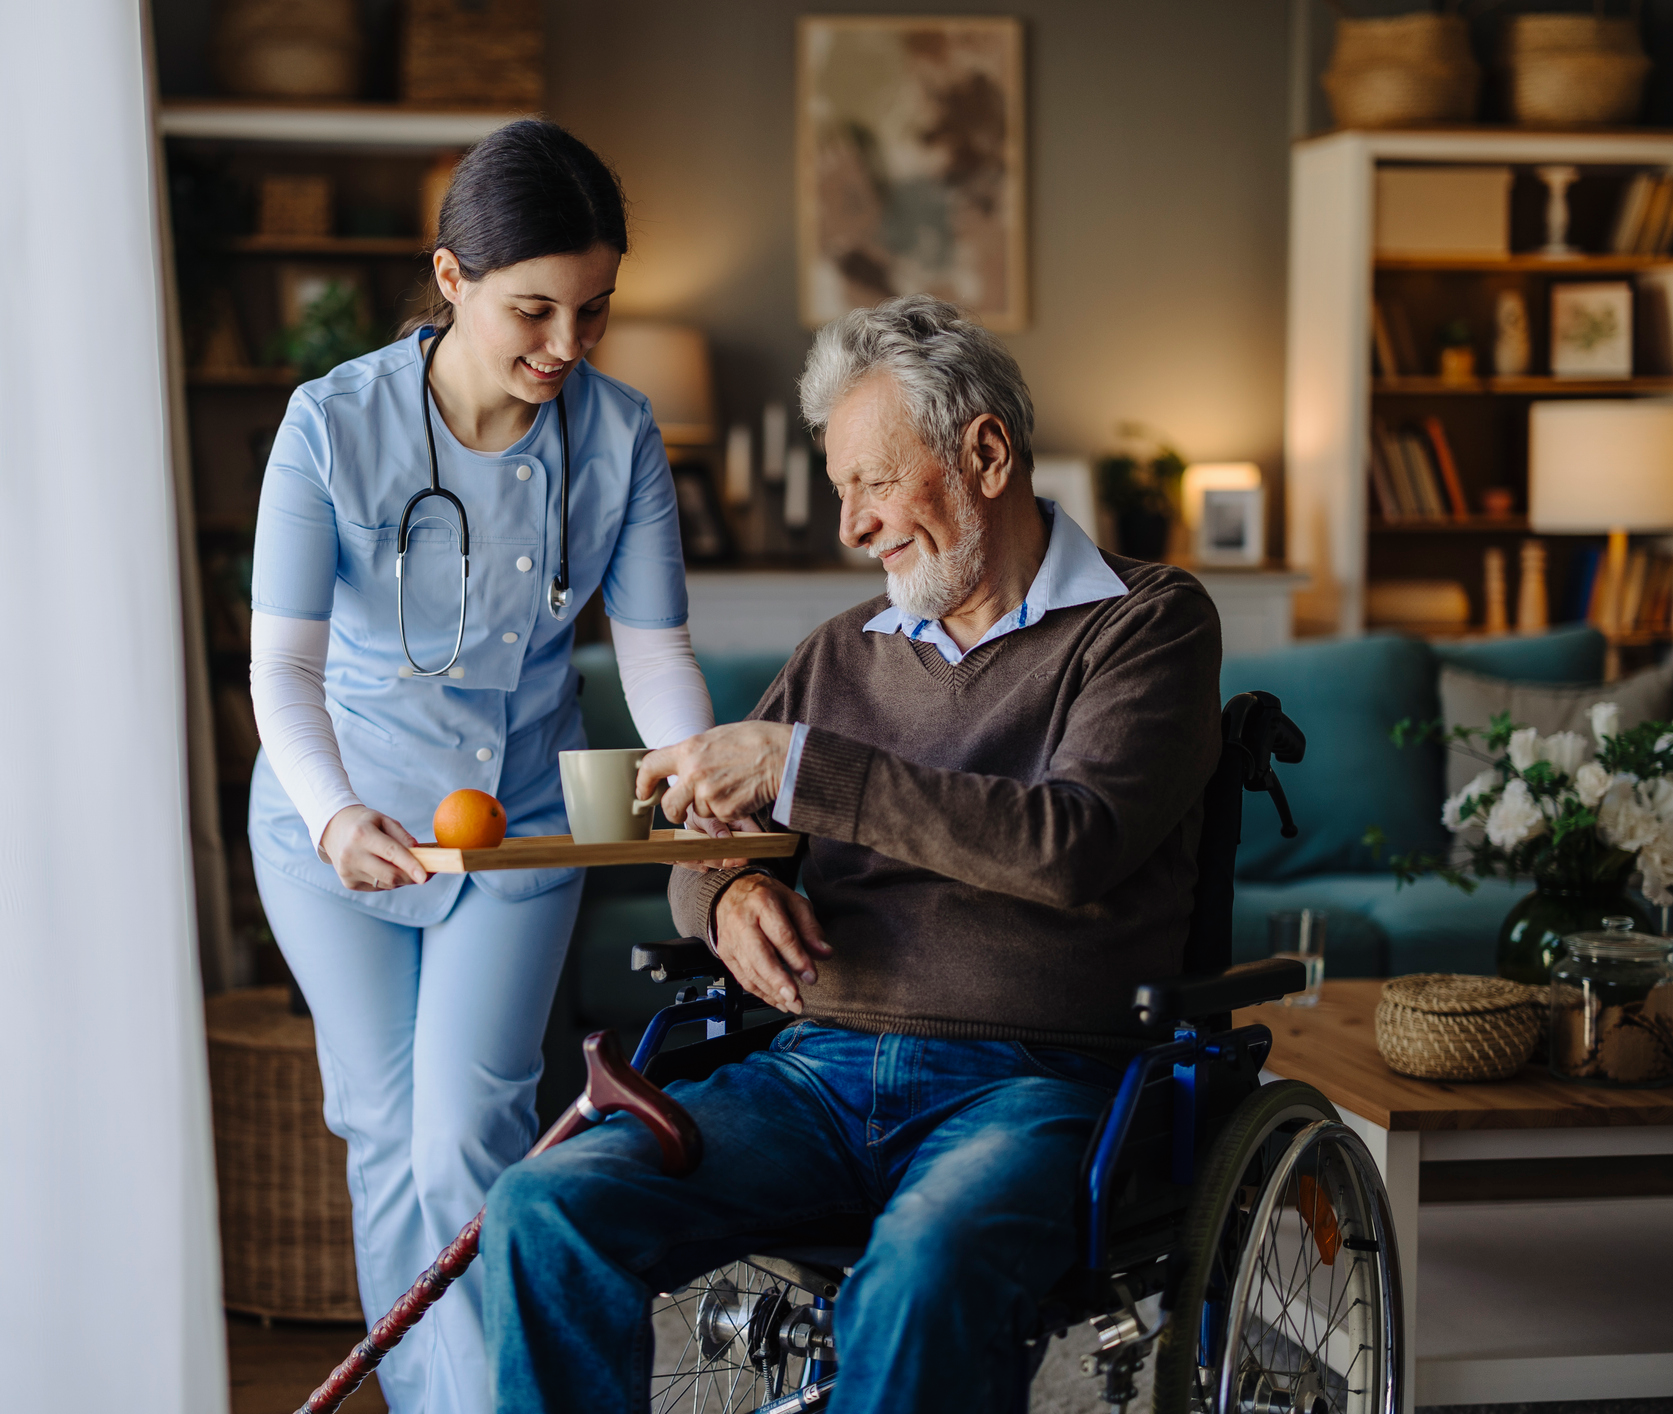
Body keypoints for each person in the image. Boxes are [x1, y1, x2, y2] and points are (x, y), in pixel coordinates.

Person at [479, 295, 1224, 1412]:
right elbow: (703, 848)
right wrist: (726, 895)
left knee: (918, 1273)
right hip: (813, 1077)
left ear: (983, 453)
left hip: (1032, 1083)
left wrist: (800, 765)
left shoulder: (1144, 625)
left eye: (872, 482)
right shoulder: (837, 654)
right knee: (541, 1210)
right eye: (840, 491)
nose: (852, 526)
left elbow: (1074, 844)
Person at [245, 119, 717, 1414]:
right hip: (330, 818)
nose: (566, 346)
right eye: (533, 310)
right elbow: (279, 669)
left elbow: (655, 648)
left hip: (516, 827)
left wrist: (689, 764)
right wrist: (336, 813)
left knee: (469, 1130)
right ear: (449, 279)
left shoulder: (617, 438)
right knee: (384, 1133)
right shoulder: (330, 426)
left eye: (593, 311)